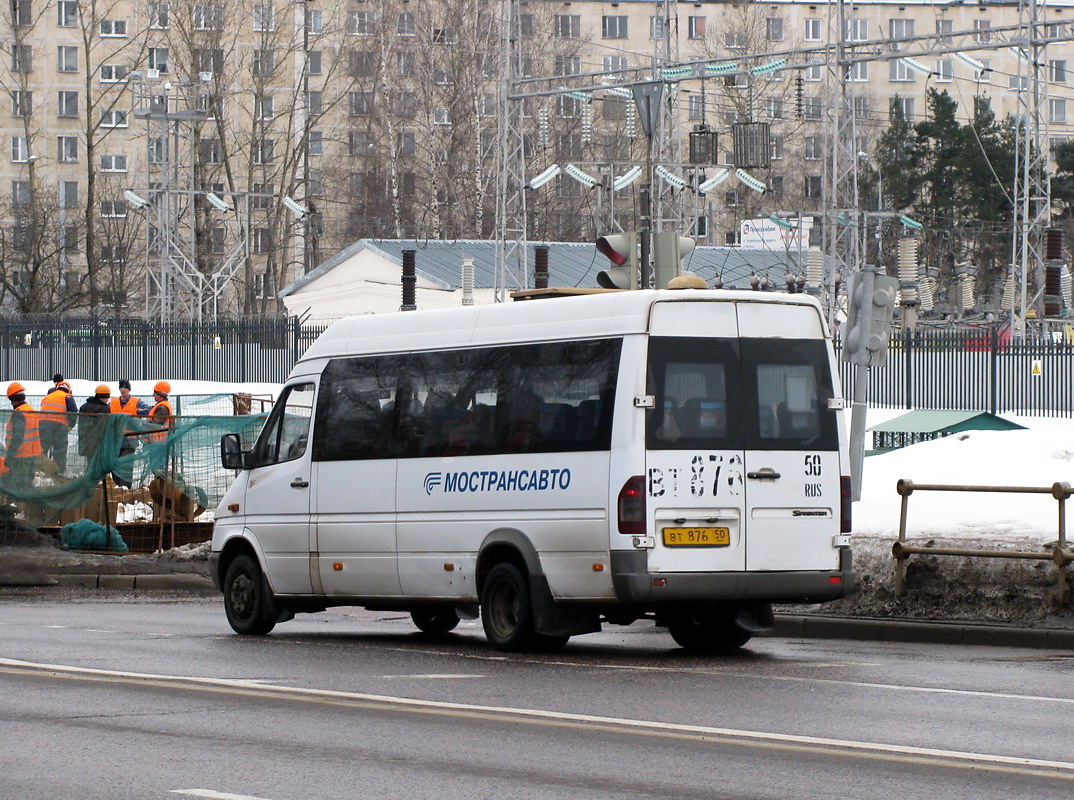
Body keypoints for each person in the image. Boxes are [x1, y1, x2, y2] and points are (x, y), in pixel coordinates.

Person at [4, 381, 41, 490]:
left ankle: (19, 506)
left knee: (18, 487)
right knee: (27, 485)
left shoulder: (19, 413)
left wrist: (10, 456)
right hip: (32, 454)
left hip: (20, 456)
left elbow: (17, 437)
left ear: (12, 399)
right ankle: (26, 506)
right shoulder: (30, 410)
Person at [39, 374, 77, 473]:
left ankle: (39, 470)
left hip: (42, 425)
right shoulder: (67, 396)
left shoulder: (48, 396)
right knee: (60, 450)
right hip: (59, 426)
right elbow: (74, 411)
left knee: (42, 448)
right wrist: (70, 425)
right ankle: (58, 473)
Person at [77, 384, 112, 460]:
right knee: (98, 464)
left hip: (85, 440)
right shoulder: (104, 409)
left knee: (90, 462)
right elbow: (105, 426)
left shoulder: (84, 406)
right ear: (105, 397)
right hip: (98, 442)